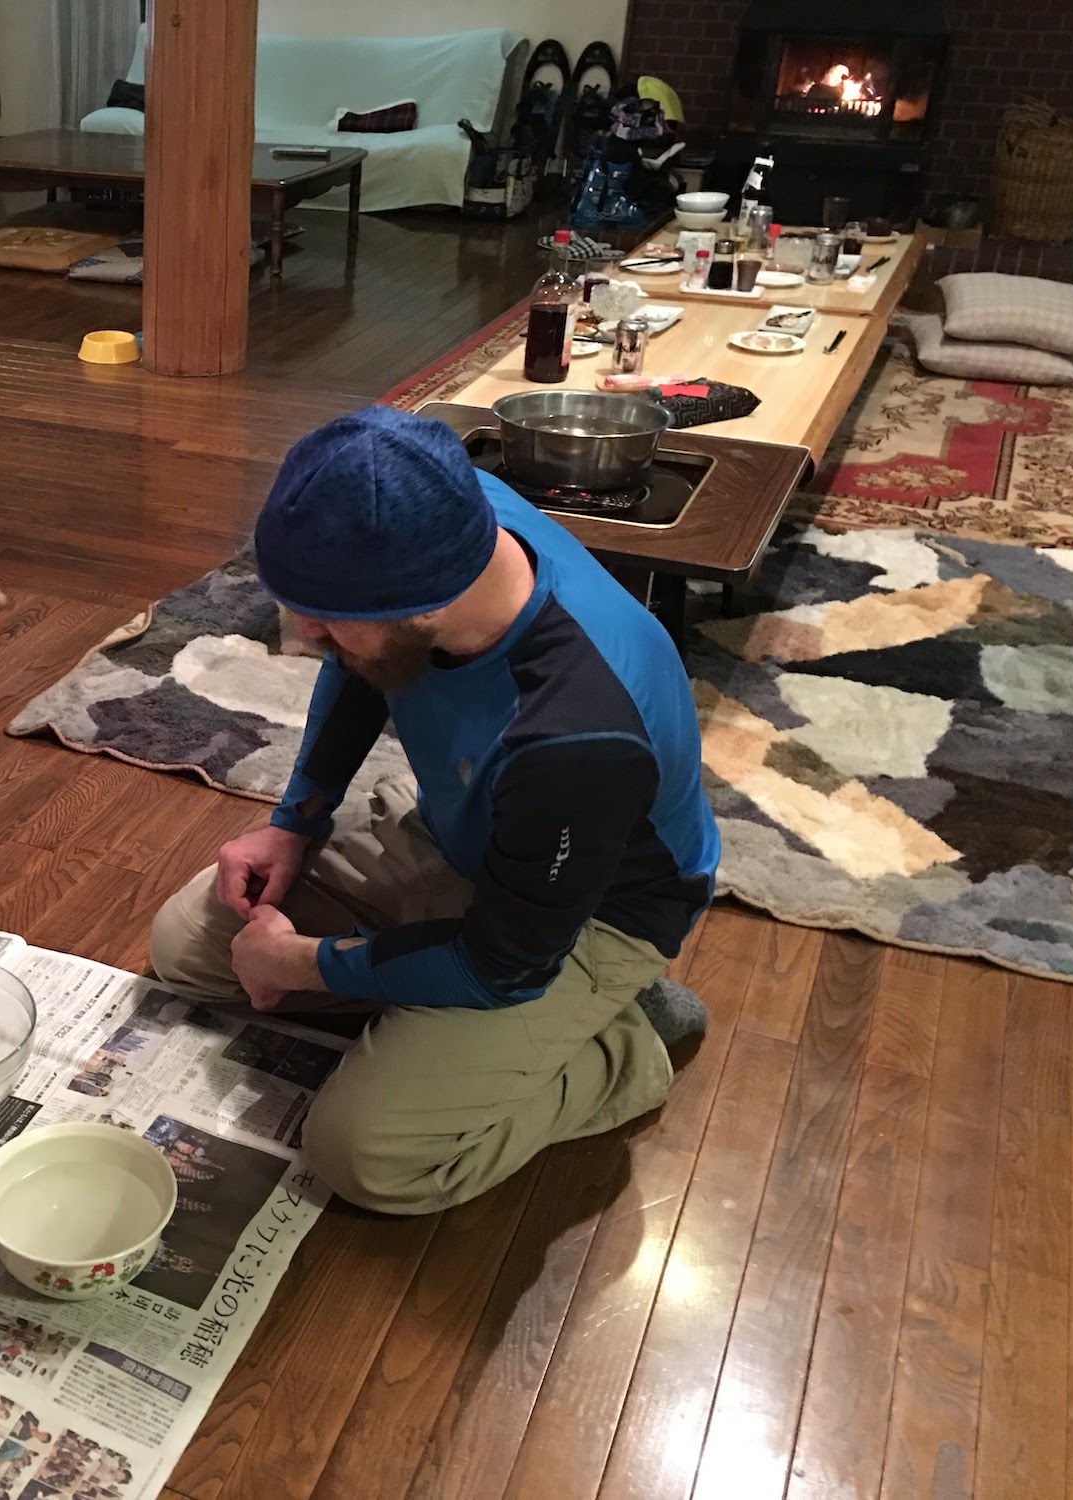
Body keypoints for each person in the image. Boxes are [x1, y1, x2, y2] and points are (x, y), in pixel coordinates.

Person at [150, 406, 719, 1217]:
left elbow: (501, 963)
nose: (300, 638)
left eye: (324, 617)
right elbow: (360, 664)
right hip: (469, 830)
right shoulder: (448, 517)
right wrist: (295, 820)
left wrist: (301, 962)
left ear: (425, 603)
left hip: (597, 911)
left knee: (366, 1153)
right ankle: (436, 1002)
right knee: (186, 946)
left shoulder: (575, 731)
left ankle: (626, 1045)